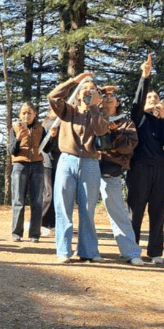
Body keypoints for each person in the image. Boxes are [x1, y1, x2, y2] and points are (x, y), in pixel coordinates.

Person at [48, 72, 109, 263]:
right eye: (84, 88)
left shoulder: (101, 112)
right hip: (67, 160)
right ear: (78, 93)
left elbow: (101, 131)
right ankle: (63, 250)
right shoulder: (68, 110)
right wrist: (73, 81)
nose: (88, 91)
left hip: (90, 162)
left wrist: (95, 108)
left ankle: (88, 251)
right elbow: (53, 97)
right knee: (63, 207)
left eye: (92, 89)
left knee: (88, 208)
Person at [126, 55, 164, 264]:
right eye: (150, 97)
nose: (153, 99)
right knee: (136, 210)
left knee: (158, 211)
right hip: (140, 168)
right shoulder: (138, 117)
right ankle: (131, 250)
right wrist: (144, 77)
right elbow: (137, 101)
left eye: (156, 97)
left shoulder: (162, 121)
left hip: (161, 170)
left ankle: (155, 252)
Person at [97, 88, 144, 265]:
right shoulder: (94, 117)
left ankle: (131, 253)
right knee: (85, 212)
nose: (108, 99)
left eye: (112, 97)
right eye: (105, 97)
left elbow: (129, 146)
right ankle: (88, 251)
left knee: (118, 211)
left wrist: (114, 133)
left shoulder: (126, 122)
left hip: (111, 170)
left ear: (118, 103)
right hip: (89, 167)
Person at [8, 102, 45, 242]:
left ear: (34, 114)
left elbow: (47, 148)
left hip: (37, 165)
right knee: (18, 200)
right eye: (23, 113)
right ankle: (16, 233)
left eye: (29, 113)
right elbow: (12, 150)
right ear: (19, 115)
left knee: (37, 201)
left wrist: (52, 137)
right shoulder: (14, 128)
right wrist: (19, 137)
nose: (26, 115)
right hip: (20, 165)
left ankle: (34, 234)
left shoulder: (41, 129)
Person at [40, 108, 60, 236]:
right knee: (49, 194)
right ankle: (41, 223)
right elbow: (45, 146)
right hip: (48, 163)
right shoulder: (48, 124)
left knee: (57, 195)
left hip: (60, 163)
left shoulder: (63, 122)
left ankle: (53, 224)